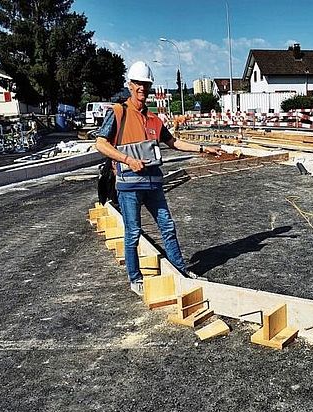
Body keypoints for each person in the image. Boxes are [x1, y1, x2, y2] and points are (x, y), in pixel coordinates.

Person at [95, 61, 221, 296]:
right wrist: (127, 159)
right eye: (138, 84)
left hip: (153, 184)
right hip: (129, 185)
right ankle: (136, 279)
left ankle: (180, 272)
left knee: (168, 226)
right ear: (130, 85)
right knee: (133, 232)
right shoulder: (118, 112)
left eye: (146, 84)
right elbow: (100, 143)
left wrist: (203, 149)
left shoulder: (154, 119)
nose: (142, 88)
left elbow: (173, 142)